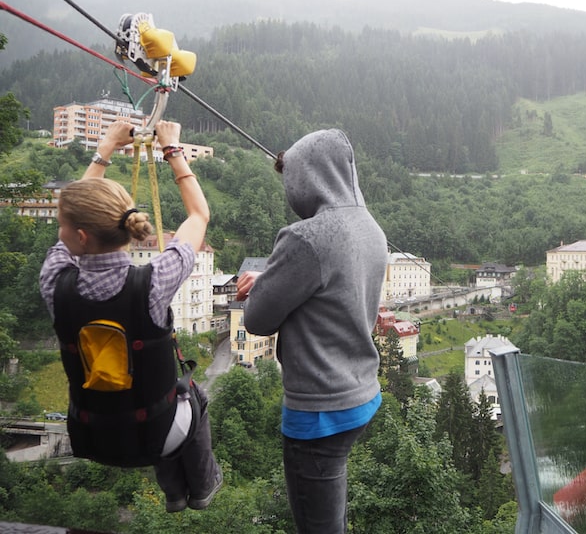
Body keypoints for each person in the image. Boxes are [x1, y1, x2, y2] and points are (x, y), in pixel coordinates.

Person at [39, 120, 222, 513]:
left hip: (90, 435)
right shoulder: (152, 283)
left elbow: (74, 218)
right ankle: (197, 489)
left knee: (170, 398)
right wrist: (173, 151)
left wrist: (104, 149)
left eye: (63, 224)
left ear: (81, 236)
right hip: (158, 437)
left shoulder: (55, 282)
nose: (61, 229)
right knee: (192, 394)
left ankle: (174, 492)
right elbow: (199, 215)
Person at [236, 128, 388, 534]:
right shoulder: (371, 228)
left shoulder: (307, 237)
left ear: (304, 180)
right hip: (360, 392)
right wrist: (274, 276)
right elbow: (330, 284)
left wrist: (264, 286)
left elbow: (257, 320)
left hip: (321, 407)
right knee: (330, 510)